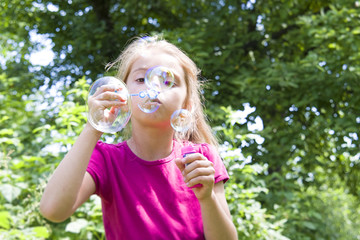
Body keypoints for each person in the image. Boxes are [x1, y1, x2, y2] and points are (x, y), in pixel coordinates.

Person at [40, 36, 238, 240]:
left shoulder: (201, 158)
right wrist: (93, 126)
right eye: (141, 79)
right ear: (122, 94)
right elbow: (53, 210)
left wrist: (207, 198)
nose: (153, 88)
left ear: (187, 104)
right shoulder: (107, 160)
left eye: (168, 81)